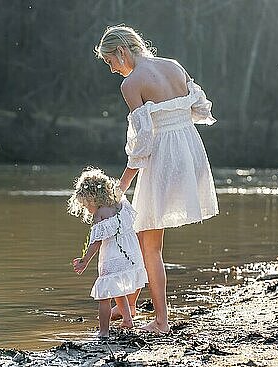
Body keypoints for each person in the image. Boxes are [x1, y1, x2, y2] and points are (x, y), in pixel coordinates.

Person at [94, 25, 219, 334]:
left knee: (151, 244)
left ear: (122, 51)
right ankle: (131, 307)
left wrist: (120, 186)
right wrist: (175, 122)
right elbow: (200, 107)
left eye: (111, 62)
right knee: (139, 234)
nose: (112, 70)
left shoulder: (131, 84)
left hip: (163, 157)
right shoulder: (174, 66)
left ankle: (161, 321)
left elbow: (143, 142)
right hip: (189, 153)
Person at [68, 167, 149, 339]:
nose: (87, 208)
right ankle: (127, 320)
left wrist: (85, 260)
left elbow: (95, 242)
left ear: (92, 198)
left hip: (113, 256)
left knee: (104, 295)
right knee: (118, 287)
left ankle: (103, 331)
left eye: (86, 204)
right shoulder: (121, 203)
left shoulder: (100, 214)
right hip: (131, 253)